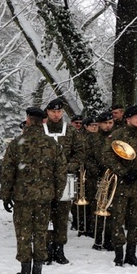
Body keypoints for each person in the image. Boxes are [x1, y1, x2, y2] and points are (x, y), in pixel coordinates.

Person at [1, 107, 67, 274]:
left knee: (23, 234)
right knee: (40, 233)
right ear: (44, 121)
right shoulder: (53, 145)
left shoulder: (17, 143)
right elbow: (61, 173)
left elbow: (7, 172)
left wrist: (6, 196)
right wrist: (56, 196)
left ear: (28, 119)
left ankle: (25, 271)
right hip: (44, 198)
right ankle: (37, 272)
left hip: (23, 198)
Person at [103, 105, 137, 266]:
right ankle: (118, 252)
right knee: (117, 218)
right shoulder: (117, 135)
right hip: (120, 184)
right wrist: (122, 171)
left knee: (135, 219)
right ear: (128, 119)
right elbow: (106, 155)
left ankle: (132, 252)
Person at [43, 98, 83, 265]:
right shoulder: (40, 129)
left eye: (59, 111)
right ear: (47, 112)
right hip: (44, 180)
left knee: (61, 215)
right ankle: (45, 249)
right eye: (53, 111)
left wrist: (68, 167)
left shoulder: (71, 131)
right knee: (45, 215)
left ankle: (59, 249)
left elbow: (79, 153)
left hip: (65, 179)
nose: (56, 114)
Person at [86, 111, 115, 250]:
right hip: (96, 177)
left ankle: (108, 238)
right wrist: (95, 170)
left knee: (111, 209)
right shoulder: (92, 139)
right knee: (97, 207)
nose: (108, 126)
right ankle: (97, 238)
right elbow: (87, 157)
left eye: (110, 123)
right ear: (99, 124)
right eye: (105, 123)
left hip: (112, 176)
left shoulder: (116, 137)